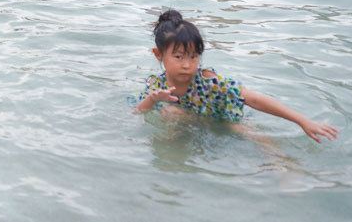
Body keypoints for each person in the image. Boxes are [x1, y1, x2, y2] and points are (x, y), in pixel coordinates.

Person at [133, 10, 339, 143]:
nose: (187, 64)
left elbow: (254, 99)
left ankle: (283, 165)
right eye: (178, 57)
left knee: (255, 135)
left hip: (222, 120)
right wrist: (152, 99)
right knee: (169, 113)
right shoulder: (157, 84)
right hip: (189, 126)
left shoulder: (207, 79)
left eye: (194, 56)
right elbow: (137, 112)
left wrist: (303, 121)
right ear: (158, 55)